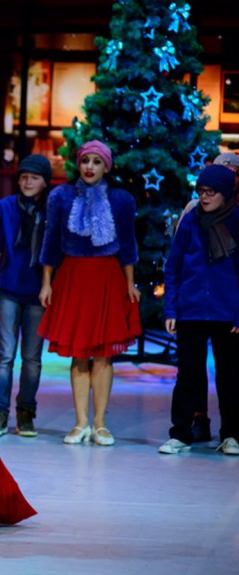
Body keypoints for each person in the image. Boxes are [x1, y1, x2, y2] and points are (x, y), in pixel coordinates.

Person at [38, 140, 142, 446]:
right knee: (79, 353)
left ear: (106, 167)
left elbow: (128, 243)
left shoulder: (121, 200)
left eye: (97, 162)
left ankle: (100, 424)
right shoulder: (61, 196)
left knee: (103, 355)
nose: (89, 167)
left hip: (107, 276)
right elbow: (50, 242)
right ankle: (81, 422)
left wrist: (130, 283)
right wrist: (47, 282)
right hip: (73, 276)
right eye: (85, 161)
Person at [158, 164, 239, 455]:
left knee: (230, 376)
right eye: (201, 191)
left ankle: (232, 434)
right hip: (191, 310)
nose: (204, 197)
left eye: (211, 192)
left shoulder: (236, 222)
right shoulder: (191, 222)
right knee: (188, 375)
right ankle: (180, 433)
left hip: (227, 313)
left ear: (225, 193)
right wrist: (171, 309)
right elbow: (174, 267)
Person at [0, 154, 51, 437]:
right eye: (23, 177)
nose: (27, 183)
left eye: (34, 178)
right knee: (4, 356)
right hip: (9, 289)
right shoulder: (5, 207)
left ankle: (26, 413)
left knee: (32, 359)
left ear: (45, 182)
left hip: (37, 293)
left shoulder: (51, 210)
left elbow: (52, 252)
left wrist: (48, 284)